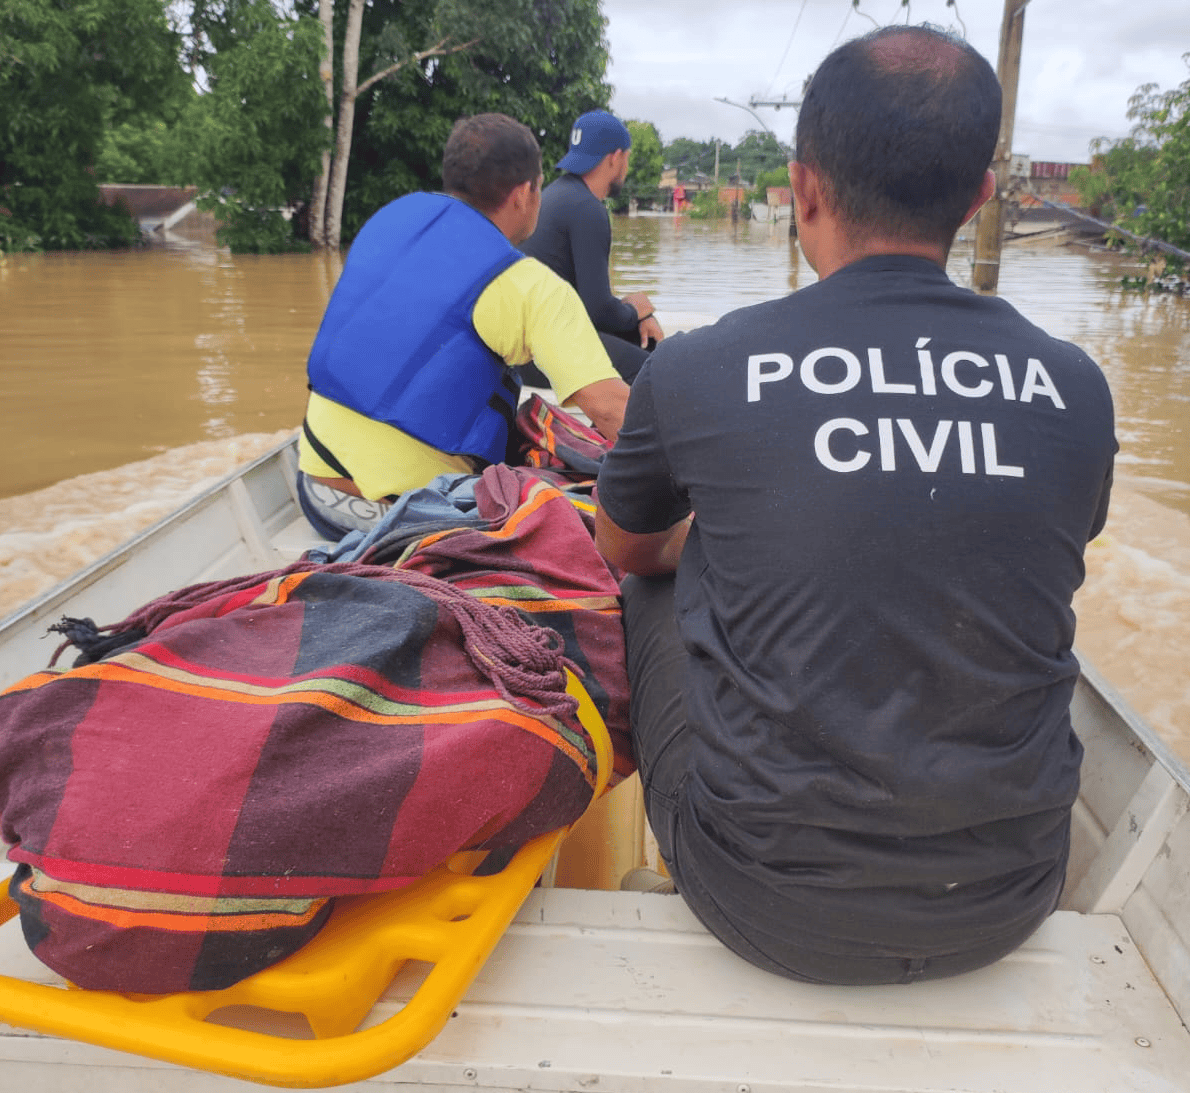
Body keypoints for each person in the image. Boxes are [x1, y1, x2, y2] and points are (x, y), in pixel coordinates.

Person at [594, 25, 1116, 986]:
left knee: (655, 586)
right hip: (1016, 891)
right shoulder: (1076, 387)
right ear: (978, 195)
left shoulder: (699, 366)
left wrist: (717, 539)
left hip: (758, 901)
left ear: (803, 188)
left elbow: (621, 544)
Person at [298, 112, 630, 539]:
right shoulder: (529, 285)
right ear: (525, 193)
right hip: (399, 519)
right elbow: (611, 409)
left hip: (314, 487)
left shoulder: (393, 219)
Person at [520, 110, 664, 384]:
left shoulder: (555, 195)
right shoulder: (588, 210)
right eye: (628, 159)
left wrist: (632, 312)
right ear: (616, 157)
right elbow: (597, 311)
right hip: (542, 354)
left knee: (642, 340)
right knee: (653, 369)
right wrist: (638, 311)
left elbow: (590, 305)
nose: (627, 167)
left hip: (525, 344)